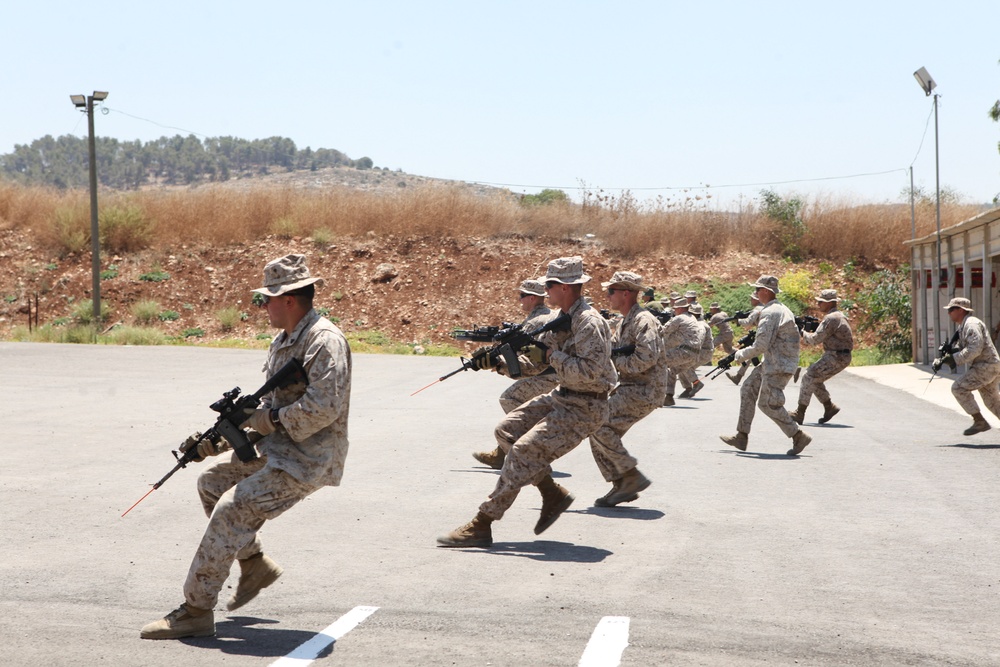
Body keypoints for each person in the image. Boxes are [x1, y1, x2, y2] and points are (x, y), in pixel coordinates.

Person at [140, 254, 352, 639]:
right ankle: (254, 564)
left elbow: (325, 407)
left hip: (308, 459)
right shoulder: (283, 340)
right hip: (279, 451)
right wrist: (217, 441)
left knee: (232, 508)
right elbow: (269, 409)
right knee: (211, 483)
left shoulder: (324, 341)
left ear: (288, 299)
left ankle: (196, 610)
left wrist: (267, 421)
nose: (262, 305)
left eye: (266, 298)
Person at [437, 256, 617, 547]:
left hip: (587, 405)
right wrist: (495, 363)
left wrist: (550, 356)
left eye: (549, 284)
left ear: (565, 287)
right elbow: (532, 367)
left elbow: (588, 371)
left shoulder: (588, 322)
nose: (545, 290)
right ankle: (551, 492)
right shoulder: (561, 318)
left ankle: (483, 523)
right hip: (563, 396)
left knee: (522, 452)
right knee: (506, 432)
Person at [589, 271, 662, 506]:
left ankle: (630, 476)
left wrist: (615, 363)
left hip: (644, 388)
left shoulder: (644, 320)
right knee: (599, 432)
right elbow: (612, 349)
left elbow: (646, 358)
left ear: (626, 293)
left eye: (611, 291)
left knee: (598, 423)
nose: (607, 296)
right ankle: (622, 484)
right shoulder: (625, 320)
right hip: (632, 387)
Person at [719, 275, 811, 456]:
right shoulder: (777, 309)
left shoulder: (771, 312)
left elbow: (761, 346)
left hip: (779, 365)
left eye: (758, 289)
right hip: (773, 362)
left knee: (768, 404)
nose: (755, 293)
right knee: (748, 388)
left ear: (766, 292)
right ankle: (742, 435)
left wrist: (738, 355)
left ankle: (797, 435)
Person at [473, 279, 559, 469]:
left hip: (547, 374)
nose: (519, 300)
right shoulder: (545, 315)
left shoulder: (537, 321)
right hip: (552, 371)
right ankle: (500, 454)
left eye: (522, 296)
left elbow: (526, 363)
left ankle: (536, 453)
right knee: (521, 406)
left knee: (510, 399)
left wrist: (498, 364)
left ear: (533, 298)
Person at [936, 297, 1000, 436]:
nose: (949, 313)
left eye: (952, 310)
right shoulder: (963, 326)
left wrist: (953, 359)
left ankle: (979, 422)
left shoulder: (971, 324)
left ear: (960, 310)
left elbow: (975, 349)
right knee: (992, 402)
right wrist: (946, 355)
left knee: (958, 388)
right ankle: (979, 421)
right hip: (987, 366)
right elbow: (963, 347)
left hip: (985, 366)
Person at [789, 289, 854, 426]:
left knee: (809, 376)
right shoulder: (838, 316)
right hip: (839, 355)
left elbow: (814, 340)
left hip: (836, 356)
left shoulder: (831, 318)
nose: (818, 304)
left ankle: (800, 413)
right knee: (815, 379)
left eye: (821, 302)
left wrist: (802, 332)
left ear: (830, 303)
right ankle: (829, 407)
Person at [661, 297, 704, 405]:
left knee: (660, 361)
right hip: (695, 354)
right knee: (672, 370)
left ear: (680, 309)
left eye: (675, 309)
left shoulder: (679, 318)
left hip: (685, 351)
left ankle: (654, 393)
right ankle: (668, 397)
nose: (674, 311)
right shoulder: (692, 318)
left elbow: (662, 331)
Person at [726, 294, 763, 385]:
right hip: (763, 334)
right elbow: (756, 323)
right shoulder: (765, 308)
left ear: (757, 299)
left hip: (764, 335)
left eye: (752, 298)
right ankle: (738, 376)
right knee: (751, 355)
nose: (750, 300)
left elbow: (748, 323)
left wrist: (737, 320)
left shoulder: (757, 309)